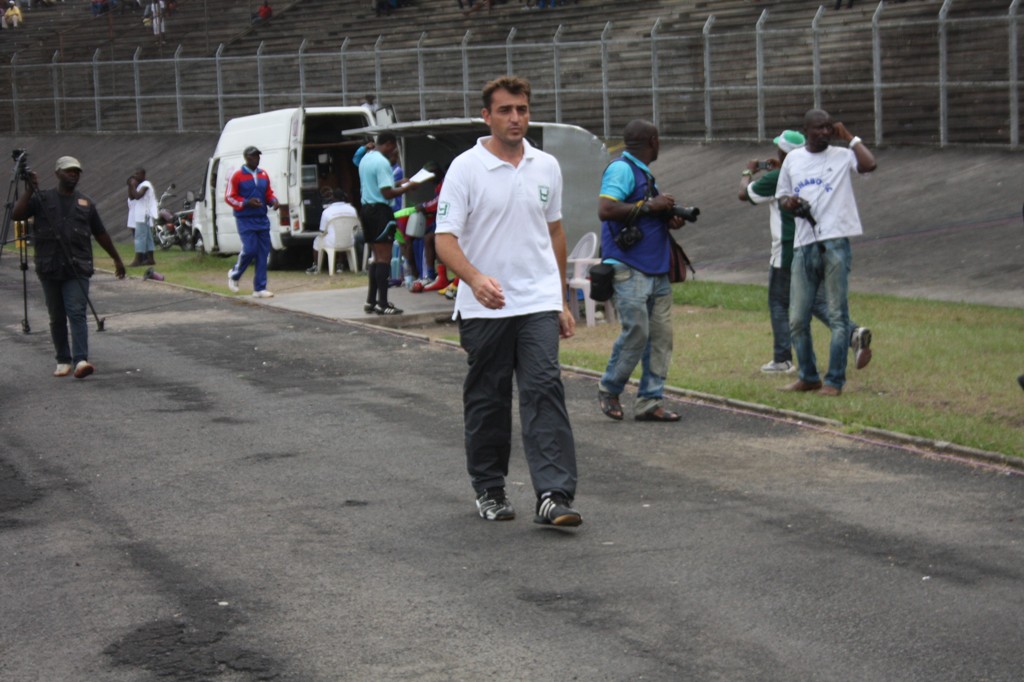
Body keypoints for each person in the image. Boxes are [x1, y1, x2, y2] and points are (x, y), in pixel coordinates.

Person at [435, 75, 582, 527]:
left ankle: (553, 495)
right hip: (486, 306)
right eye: (505, 110)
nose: (515, 118)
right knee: (489, 397)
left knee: (544, 389)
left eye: (522, 109)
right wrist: (475, 278)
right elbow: (444, 239)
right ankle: (490, 489)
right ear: (487, 116)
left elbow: (554, 232)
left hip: (536, 301)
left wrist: (560, 299)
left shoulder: (546, 165)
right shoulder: (465, 168)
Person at [739, 130, 872, 374]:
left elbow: (744, 194)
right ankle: (853, 333)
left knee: (780, 302)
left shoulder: (777, 177)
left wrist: (748, 171)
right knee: (816, 301)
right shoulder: (803, 169)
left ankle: (782, 359)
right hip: (815, 242)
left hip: (786, 249)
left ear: (782, 152)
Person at [776, 109, 877, 396]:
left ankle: (834, 380)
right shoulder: (793, 159)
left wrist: (850, 138)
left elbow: (869, 165)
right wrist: (790, 203)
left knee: (837, 315)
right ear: (806, 131)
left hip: (835, 241)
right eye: (818, 128)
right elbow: (782, 196)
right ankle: (808, 376)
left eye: (828, 127)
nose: (824, 132)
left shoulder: (842, 155)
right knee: (798, 318)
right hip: (804, 242)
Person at [596, 119, 687, 423]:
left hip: (656, 268)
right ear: (653, 141)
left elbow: (639, 212)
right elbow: (606, 209)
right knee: (637, 332)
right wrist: (651, 206)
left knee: (660, 337)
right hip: (630, 266)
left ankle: (650, 401)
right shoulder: (621, 169)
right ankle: (610, 388)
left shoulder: (644, 173)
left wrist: (666, 217)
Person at [12, 156, 126, 379]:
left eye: (76, 171)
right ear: (57, 174)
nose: (73, 174)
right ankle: (62, 360)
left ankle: (80, 360)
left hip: (77, 267)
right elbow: (17, 215)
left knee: (76, 311)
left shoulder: (86, 203)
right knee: (56, 316)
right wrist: (29, 190)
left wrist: (117, 259)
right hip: (50, 266)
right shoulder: (42, 199)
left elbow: (100, 233)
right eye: (68, 171)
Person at [356, 132, 418, 315]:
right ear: (389, 144)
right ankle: (382, 303)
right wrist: (407, 187)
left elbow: (378, 185)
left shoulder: (367, 158)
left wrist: (398, 182)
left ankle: (371, 301)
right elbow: (387, 193)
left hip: (366, 209)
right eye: (394, 148)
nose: (394, 152)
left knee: (376, 257)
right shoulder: (382, 162)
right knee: (385, 257)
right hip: (380, 211)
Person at [226, 145, 280, 298]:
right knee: (250, 249)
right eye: (254, 156)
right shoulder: (237, 175)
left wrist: (273, 201)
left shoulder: (263, 174)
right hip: (245, 219)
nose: (257, 159)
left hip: (262, 218)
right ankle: (234, 274)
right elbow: (229, 197)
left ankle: (259, 288)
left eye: (258, 156)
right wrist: (246, 202)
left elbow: (268, 193)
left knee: (263, 252)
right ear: (247, 158)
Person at [306, 188, 359, 273]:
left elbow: (322, 231)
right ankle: (340, 264)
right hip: (349, 241)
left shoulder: (327, 211)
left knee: (317, 240)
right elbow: (356, 227)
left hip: (332, 242)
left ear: (333, 198)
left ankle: (316, 265)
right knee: (343, 236)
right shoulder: (352, 210)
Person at [126, 167, 158, 267]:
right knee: (148, 238)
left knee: (140, 237)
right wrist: (130, 186)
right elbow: (131, 197)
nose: (135, 176)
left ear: (143, 175)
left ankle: (138, 260)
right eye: (135, 174)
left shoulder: (146, 184)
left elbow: (138, 196)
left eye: (137, 174)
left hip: (143, 214)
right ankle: (150, 259)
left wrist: (132, 185)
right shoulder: (140, 185)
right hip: (142, 214)